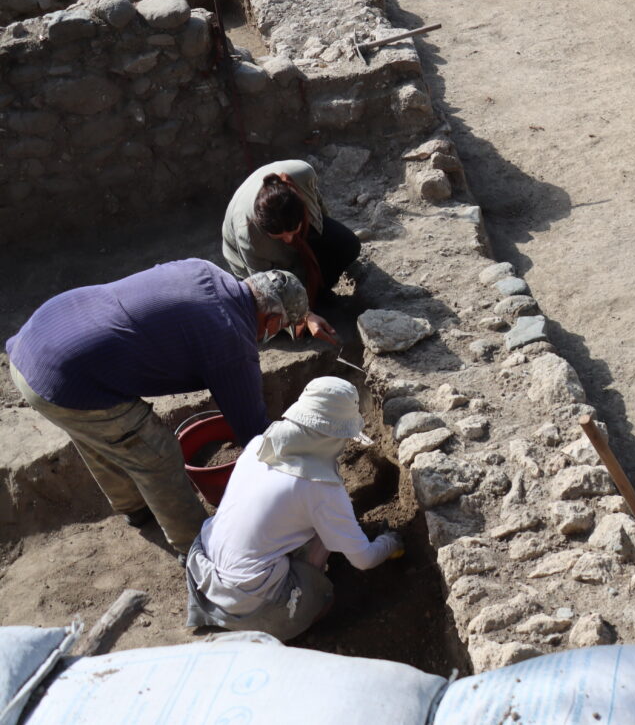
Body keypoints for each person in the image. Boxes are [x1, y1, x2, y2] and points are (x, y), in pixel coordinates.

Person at [5, 262, 312, 552]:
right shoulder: (231, 339)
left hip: (39, 338)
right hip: (65, 377)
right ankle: (194, 547)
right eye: (279, 328)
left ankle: (135, 508)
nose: (270, 336)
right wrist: (297, 477)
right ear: (272, 319)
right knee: (157, 454)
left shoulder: (205, 271)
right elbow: (254, 435)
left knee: (105, 437)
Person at [184, 377, 402, 641]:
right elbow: (364, 560)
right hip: (246, 603)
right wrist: (390, 541)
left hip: (202, 565)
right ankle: (297, 613)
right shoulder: (321, 489)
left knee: (306, 521)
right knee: (325, 558)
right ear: (336, 436)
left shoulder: (259, 445)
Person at [222, 160, 360, 331]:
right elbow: (265, 289)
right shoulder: (249, 237)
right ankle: (309, 306)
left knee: (347, 244)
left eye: (293, 231)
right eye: (280, 236)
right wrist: (305, 316)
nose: (288, 240)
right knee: (282, 324)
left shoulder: (303, 174)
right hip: (250, 258)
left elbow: (318, 207)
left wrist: (322, 244)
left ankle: (320, 293)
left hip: (296, 224)